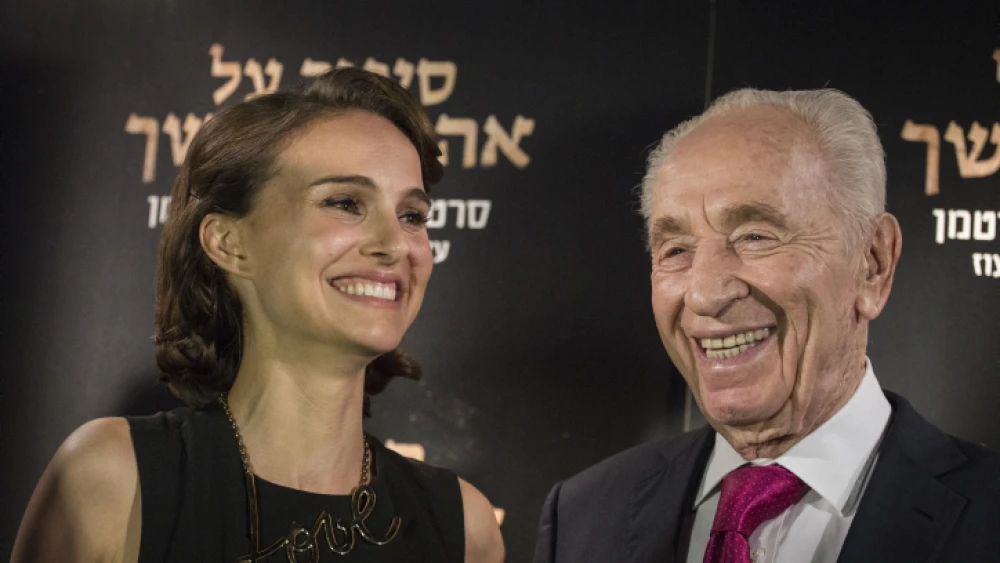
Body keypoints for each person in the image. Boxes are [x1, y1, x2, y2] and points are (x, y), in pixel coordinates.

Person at [12, 68, 504, 563]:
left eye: (412, 216)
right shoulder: (112, 482)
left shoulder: (464, 527)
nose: (395, 244)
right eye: (345, 203)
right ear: (229, 242)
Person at [533, 88, 1000, 563]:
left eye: (755, 236)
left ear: (873, 264)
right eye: (676, 250)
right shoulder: (582, 515)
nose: (704, 294)